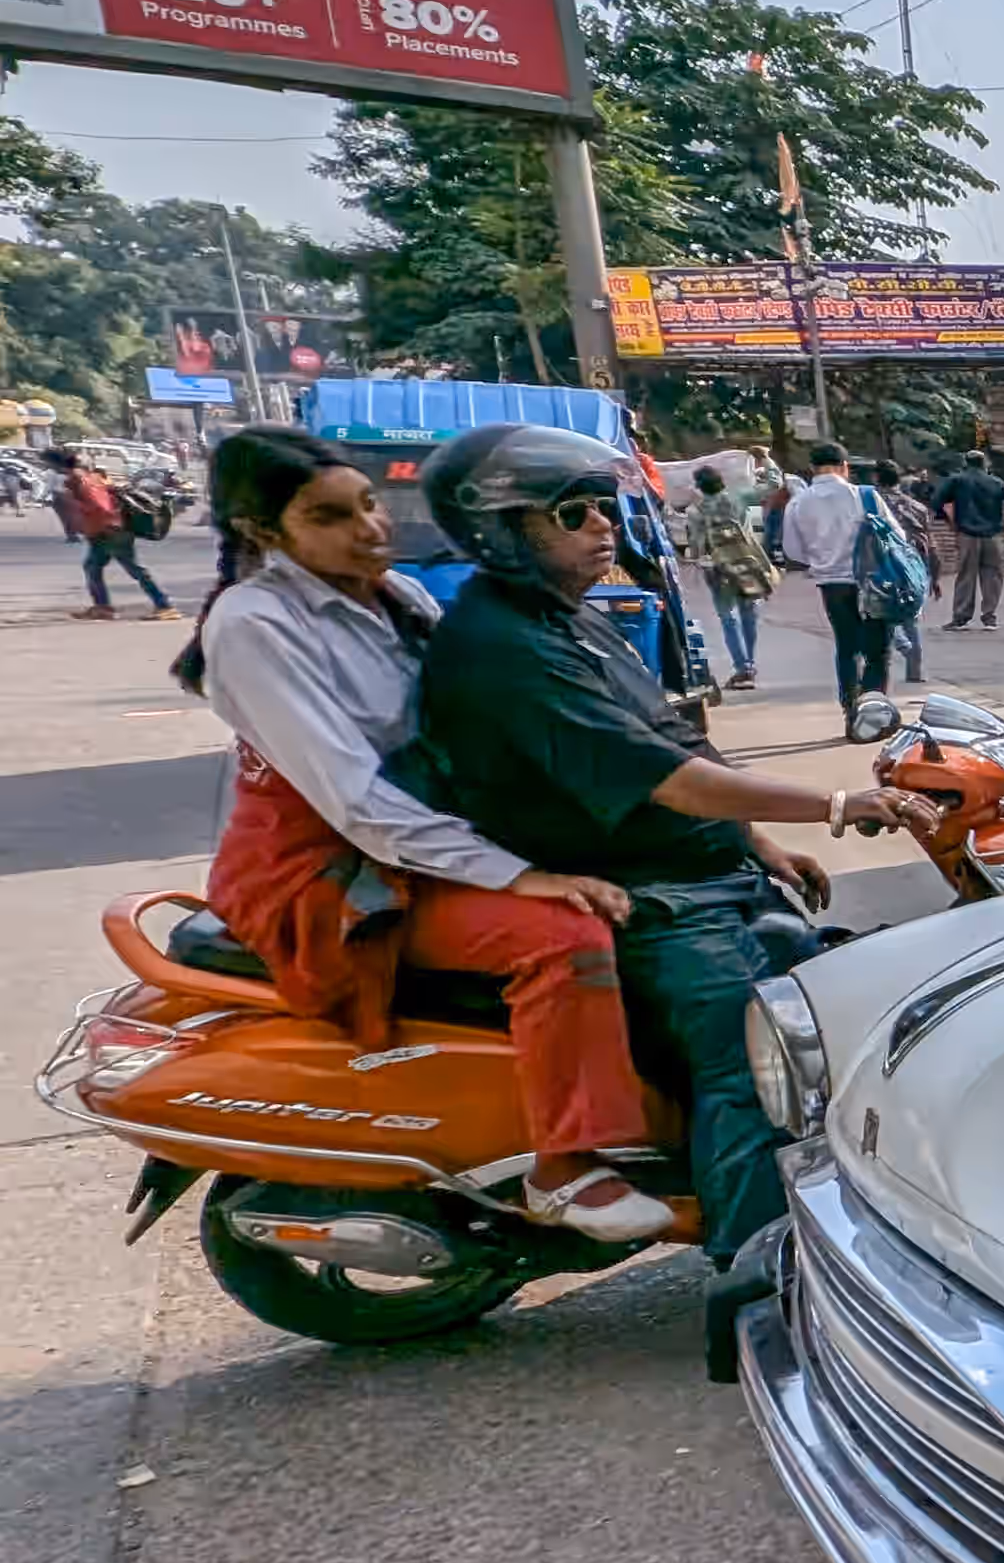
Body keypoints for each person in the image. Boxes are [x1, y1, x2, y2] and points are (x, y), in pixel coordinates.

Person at [399, 427, 931, 1263]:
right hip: (653, 902)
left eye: (605, 507)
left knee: (823, 1000)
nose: (600, 526)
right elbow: (669, 781)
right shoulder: (502, 650)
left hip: (700, 877)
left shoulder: (568, 619)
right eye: (572, 512)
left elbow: (678, 738)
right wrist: (835, 802)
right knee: (755, 1067)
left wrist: (757, 842)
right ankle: (763, 1272)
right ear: (502, 529)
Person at [175, 429, 669, 1242]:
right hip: (329, 868)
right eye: (331, 516)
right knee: (562, 935)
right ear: (265, 532)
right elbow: (354, 798)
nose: (369, 528)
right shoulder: (256, 624)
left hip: (422, 837)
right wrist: (519, 877)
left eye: (368, 504)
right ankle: (567, 1168)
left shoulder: (398, 594)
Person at [776, 444, 890, 728]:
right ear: (844, 465)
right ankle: (873, 708)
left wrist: (822, 560)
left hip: (832, 585)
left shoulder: (798, 503)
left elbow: (794, 551)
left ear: (812, 469)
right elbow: (894, 536)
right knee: (877, 649)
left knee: (847, 644)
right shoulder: (865, 495)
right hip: (872, 582)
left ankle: (850, 706)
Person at [678, 464, 773, 694]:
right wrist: (766, 459)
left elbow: (697, 548)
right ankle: (749, 664)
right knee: (749, 612)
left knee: (728, 618)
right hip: (747, 563)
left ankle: (742, 667)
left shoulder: (695, 510)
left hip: (719, 569)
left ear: (699, 486)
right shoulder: (738, 496)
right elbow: (774, 485)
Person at [61, 454, 176, 619]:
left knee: (135, 570)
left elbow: (102, 508)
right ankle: (103, 607)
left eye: (71, 468)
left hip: (111, 533)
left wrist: (82, 512)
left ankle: (165, 606)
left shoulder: (88, 483)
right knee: (92, 567)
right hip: (102, 534)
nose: (67, 471)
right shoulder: (89, 481)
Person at [935, 446, 1004, 630]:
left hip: (967, 535)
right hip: (993, 536)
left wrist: (951, 523)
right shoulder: (996, 482)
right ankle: (989, 617)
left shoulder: (956, 480)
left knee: (965, 576)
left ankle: (961, 617)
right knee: (992, 576)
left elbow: (938, 502)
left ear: (966, 463)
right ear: (984, 463)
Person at [866, 464, 931, 683]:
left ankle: (897, 652)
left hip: (881, 566)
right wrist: (934, 575)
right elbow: (928, 542)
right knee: (911, 618)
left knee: (884, 615)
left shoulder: (870, 504)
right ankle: (915, 670)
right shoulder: (916, 507)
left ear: (876, 477)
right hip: (914, 568)